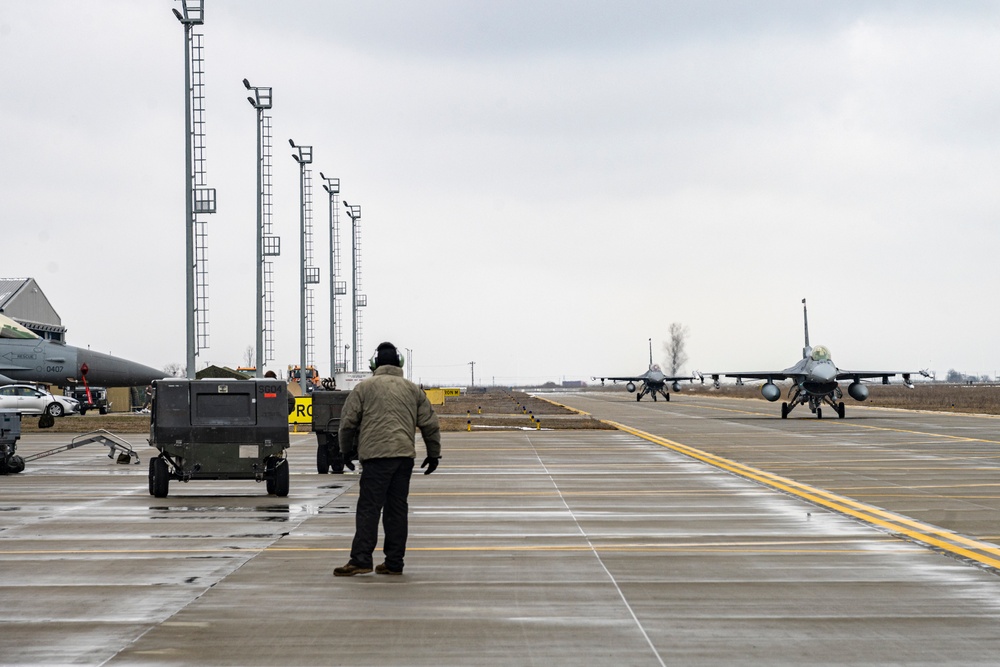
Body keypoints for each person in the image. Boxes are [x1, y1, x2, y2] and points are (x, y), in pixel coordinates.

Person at [334, 341, 441, 576]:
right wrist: (434, 454)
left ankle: (361, 559)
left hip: (375, 457)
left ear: (374, 364)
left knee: (369, 509)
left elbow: (347, 423)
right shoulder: (413, 389)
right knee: (397, 510)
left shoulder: (363, 388)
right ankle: (394, 562)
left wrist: (345, 451)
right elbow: (430, 424)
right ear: (399, 363)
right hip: (404, 457)